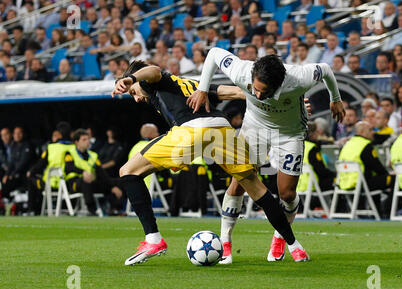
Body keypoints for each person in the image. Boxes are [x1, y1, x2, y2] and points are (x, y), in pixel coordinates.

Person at [112, 60, 311, 265]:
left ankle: (153, 239)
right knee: (257, 189)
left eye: (133, 92)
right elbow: (236, 92)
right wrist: (288, 103)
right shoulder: (192, 84)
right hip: (222, 129)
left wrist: (132, 79)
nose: (135, 98)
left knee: (128, 171)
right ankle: (295, 245)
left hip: (192, 130)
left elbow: (154, 71)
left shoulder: (149, 81)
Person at [186, 47, 344, 264]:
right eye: (255, 89)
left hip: (290, 133)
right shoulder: (242, 70)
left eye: (264, 92)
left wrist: (335, 98)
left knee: (287, 194)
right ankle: (225, 243)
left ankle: (280, 236)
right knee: (239, 182)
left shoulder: (299, 78)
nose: (258, 95)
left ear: (279, 85)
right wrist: (203, 89)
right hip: (254, 127)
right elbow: (213, 53)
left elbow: (325, 69)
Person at [338, 121, 395, 217]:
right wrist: (389, 174)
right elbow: (378, 167)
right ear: (362, 132)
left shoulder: (347, 144)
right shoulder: (366, 146)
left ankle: (377, 211)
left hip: (344, 183)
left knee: (376, 178)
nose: (373, 132)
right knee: (394, 179)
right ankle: (388, 212)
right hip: (362, 184)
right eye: (370, 130)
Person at [64, 129, 123, 216]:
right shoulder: (69, 153)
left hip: (91, 182)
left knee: (116, 181)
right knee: (86, 181)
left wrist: (113, 186)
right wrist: (83, 172)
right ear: (76, 142)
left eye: (88, 139)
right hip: (75, 183)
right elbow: (69, 168)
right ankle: (91, 210)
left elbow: (101, 173)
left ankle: (115, 209)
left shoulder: (93, 155)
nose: (87, 142)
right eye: (84, 139)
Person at [27, 122, 73, 215]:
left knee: (31, 179)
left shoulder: (51, 147)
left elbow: (40, 165)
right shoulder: (74, 147)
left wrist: (31, 172)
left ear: (59, 134)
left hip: (51, 184)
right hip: (70, 183)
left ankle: (32, 210)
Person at [296, 121, 336, 202]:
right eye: (317, 132)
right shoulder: (312, 149)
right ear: (312, 134)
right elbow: (320, 170)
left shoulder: (296, 146)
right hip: (312, 184)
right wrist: (334, 174)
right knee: (337, 181)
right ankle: (338, 209)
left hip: (297, 184)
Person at [1, 126, 33, 201]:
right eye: (15, 133)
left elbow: (23, 163)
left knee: (10, 182)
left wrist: (12, 174)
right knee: (4, 180)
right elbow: (11, 162)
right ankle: (5, 201)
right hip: (15, 174)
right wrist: (7, 174)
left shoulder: (28, 145)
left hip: (24, 174)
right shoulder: (14, 146)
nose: (17, 135)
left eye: (19, 133)